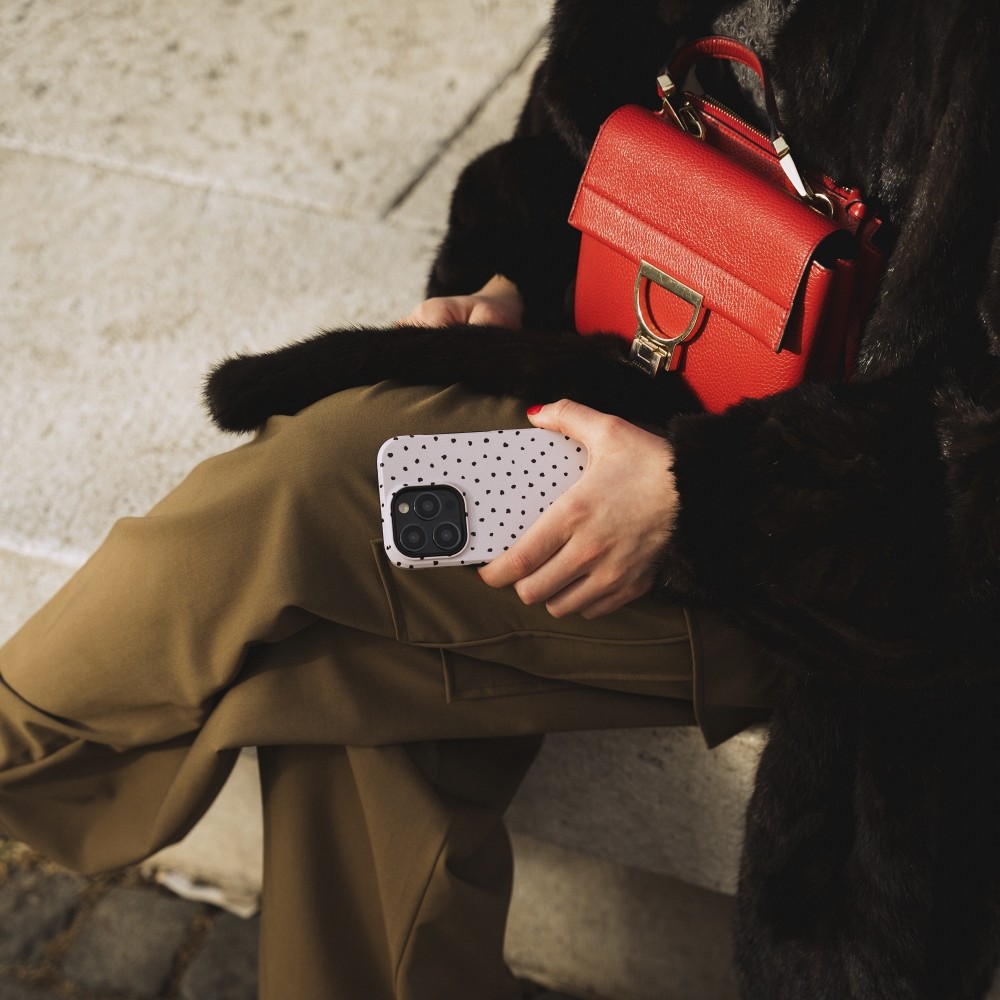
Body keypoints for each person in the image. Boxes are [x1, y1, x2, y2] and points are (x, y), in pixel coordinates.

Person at [2, 1, 999, 998]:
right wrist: (512, 275)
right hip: (624, 384)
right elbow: (570, 136)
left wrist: (703, 498)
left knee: (323, 481)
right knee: (332, 657)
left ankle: (19, 744)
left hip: (840, 573)